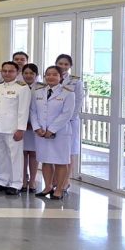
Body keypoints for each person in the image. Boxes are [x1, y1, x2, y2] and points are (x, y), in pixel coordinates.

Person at [31, 66, 75, 200]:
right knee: (46, 160)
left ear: (60, 77)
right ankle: (48, 187)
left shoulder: (67, 93)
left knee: (61, 161)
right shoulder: (38, 92)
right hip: (41, 133)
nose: (51, 77)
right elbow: (33, 111)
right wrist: (37, 128)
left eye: (54, 74)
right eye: (48, 74)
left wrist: (51, 130)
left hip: (60, 133)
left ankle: (59, 189)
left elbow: (67, 114)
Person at [0, 61, 30, 196]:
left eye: (11, 71)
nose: (7, 73)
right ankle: (3, 180)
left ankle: (16, 183)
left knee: (15, 157)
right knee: (0, 155)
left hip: (13, 128)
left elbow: (23, 110)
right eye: (5, 71)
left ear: (17, 72)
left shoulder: (22, 88)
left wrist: (21, 129)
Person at [54, 54, 84, 178]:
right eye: (60, 63)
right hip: (53, 120)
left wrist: (69, 118)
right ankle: (55, 179)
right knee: (55, 151)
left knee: (69, 151)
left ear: (70, 66)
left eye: (66, 64)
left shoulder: (75, 81)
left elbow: (78, 101)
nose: (63, 66)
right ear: (56, 64)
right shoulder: (50, 77)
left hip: (70, 121)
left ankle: (66, 181)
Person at [20, 64, 41, 192]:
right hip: (21, 126)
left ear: (36, 75)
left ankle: (32, 181)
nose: (28, 76)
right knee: (22, 154)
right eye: (26, 73)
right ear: (22, 74)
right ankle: (23, 180)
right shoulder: (18, 87)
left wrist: (34, 124)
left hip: (36, 126)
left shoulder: (41, 88)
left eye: (31, 73)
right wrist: (22, 124)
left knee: (33, 153)